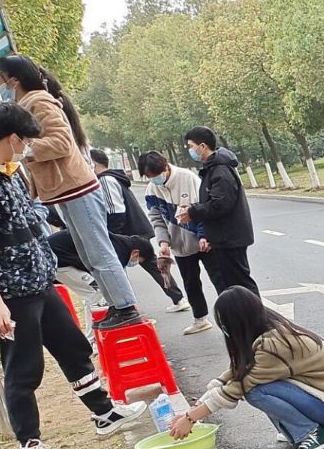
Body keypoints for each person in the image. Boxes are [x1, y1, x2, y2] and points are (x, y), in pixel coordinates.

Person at [0, 102, 147, 449]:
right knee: (24, 368)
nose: (27, 148)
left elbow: (29, 219)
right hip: (11, 292)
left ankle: (104, 413)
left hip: (40, 280)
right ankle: (30, 443)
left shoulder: (9, 171)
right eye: (25, 141)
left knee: (73, 347)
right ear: (12, 138)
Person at [0, 56, 143, 331]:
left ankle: (126, 307)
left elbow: (62, 142)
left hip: (77, 188)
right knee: (89, 254)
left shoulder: (40, 102)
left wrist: (23, 148)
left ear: (13, 80)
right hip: (65, 192)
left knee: (98, 252)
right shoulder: (25, 104)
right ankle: (117, 305)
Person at [169, 287, 324, 449]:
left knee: (255, 391)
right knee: (256, 385)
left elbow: (239, 386)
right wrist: (192, 411)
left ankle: (313, 433)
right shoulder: (266, 329)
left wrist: (191, 418)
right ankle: (294, 427)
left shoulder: (274, 344)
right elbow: (237, 371)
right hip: (322, 398)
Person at [90, 147, 189, 314]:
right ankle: (178, 298)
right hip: (136, 230)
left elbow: (116, 211)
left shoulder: (105, 180)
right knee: (152, 266)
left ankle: (127, 307)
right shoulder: (115, 177)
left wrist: (113, 237)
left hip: (127, 234)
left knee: (116, 270)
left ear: (93, 164)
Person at [139, 150, 215, 335]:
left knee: (218, 278)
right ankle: (200, 319)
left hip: (203, 241)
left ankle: (234, 316)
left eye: (156, 175)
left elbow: (204, 209)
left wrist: (204, 235)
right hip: (180, 246)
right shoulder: (152, 189)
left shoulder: (188, 178)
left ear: (166, 167)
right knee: (191, 283)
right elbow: (157, 219)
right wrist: (163, 243)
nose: (154, 179)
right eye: (149, 176)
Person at [175, 127, 258, 296]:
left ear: (202, 146)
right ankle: (242, 312)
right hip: (223, 236)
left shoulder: (220, 170)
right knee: (232, 284)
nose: (190, 150)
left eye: (191, 146)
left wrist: (193, 212)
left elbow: (220, 204)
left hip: (230, 237)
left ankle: (256, 312)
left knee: (241, 283)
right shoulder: (212, 168)